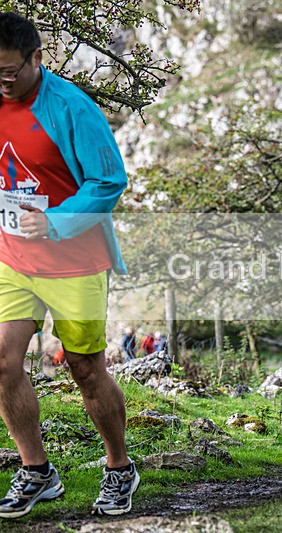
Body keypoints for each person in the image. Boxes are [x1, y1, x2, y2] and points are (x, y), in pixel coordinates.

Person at [0, 13, 138, 518]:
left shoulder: (72, 107)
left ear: (38, 58)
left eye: (11, 71)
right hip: (11, 257)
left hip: (74, 261)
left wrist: (55, 222)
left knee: (85, 368)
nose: (3, 81)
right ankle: (37, 471)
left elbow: (108, 181)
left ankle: (120, 468)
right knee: (1, 360)